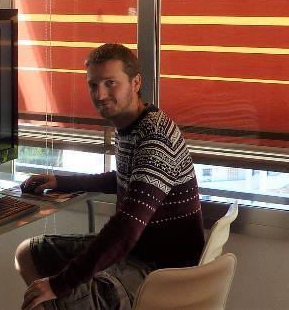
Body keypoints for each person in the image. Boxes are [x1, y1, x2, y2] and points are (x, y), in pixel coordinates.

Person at [15, 43, 204, 310]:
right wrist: (62, 181)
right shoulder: (130, 126)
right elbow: (125, 178)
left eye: (110, 83)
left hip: (159, 268)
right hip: (138, 250)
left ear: (135, 82)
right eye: (93, 85)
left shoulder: (155, 138)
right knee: (28, 254)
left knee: (59, 295)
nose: (100, 94)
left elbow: (127, 227)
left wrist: (58, 284)